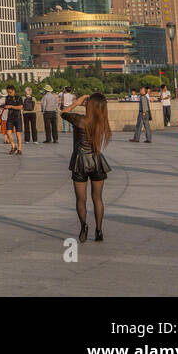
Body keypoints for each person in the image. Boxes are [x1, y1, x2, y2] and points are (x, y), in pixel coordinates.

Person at [61, 93, 112, 242]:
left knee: (81, 199)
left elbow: (63, 113)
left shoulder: (79, 120)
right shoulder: (102, 122)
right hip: (96, 162)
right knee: (98, 198)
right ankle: (99, 230)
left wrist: (77, 102)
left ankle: (83, 227)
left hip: (80, 162)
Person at [2, 86, 23, 155]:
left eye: (10, 92)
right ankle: (13, 147)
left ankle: (19, 149)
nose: (9, 93)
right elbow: (6, 105)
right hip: (10, 117)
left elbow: (20, 107)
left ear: (13, 91)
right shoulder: (7, 98)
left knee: (18, 134)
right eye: (8, 92)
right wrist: (4, 107)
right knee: (8, 133)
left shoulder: (18, 97)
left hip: (17, 117)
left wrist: (11, 106)